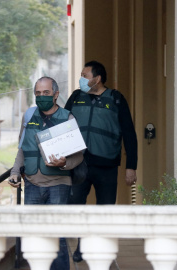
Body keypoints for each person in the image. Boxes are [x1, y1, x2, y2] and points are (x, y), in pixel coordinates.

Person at [65, 60, 138, 262]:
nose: (81, 78)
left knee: (104, 209)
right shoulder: (76, 97)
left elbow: (129, 135)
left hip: (106, 166)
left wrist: (131, 166)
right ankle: (81, 245)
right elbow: (62, 126)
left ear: (96, 79)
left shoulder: (116, 99)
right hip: (79, 164)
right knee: (76, 206)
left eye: (85, 75)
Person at [8, 76, 83, 270]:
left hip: (58, 185)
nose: (41, 97)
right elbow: (23, 149)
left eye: (46, 93)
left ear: (56, 94)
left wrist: (66, 162)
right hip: (32, 184)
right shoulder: (29, 117)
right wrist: (15, 172)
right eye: (38, 93)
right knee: (34, 236)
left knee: (56, 237)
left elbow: (79, 155)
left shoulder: (67, 118)